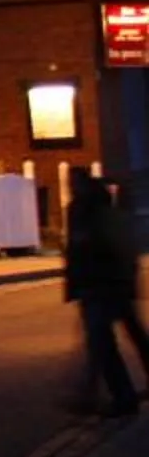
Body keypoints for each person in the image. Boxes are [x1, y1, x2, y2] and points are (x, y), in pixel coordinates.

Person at [64, 169, 143, 417]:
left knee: (103, 343)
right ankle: (116, 395)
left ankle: (119, 397)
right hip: (110, 283)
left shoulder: (85, 211)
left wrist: (78, 285)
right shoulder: (99, 207)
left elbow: (82, 251)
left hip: (100, 285)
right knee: (124, 336)